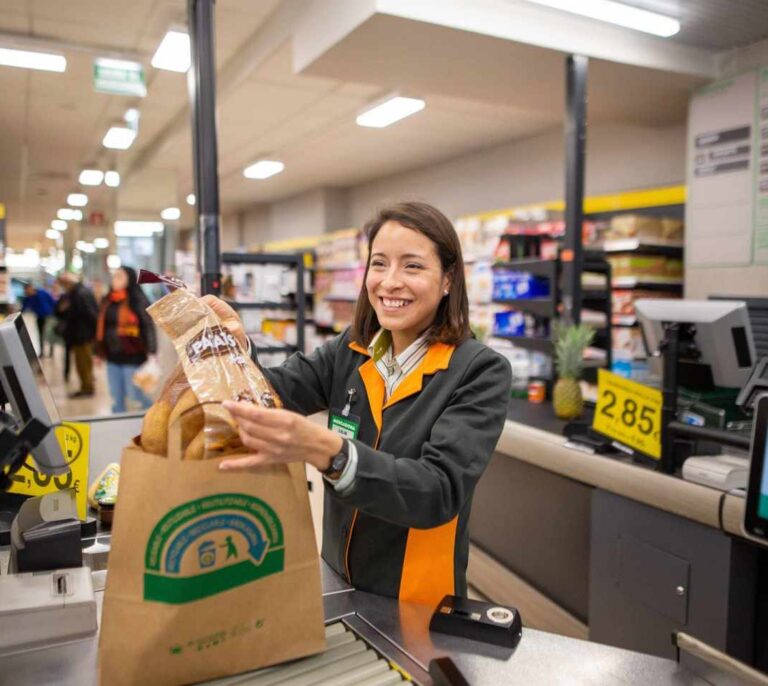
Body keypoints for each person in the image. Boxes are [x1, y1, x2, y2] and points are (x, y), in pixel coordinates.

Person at [205, 201, 511, 607]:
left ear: (449, 280)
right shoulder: (350, 351)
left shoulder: (478, 371)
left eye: (413, 266)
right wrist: (235, 344)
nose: (390, 282)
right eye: (379, 264)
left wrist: (327, 450)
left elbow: (436, 491)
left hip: (417, 599)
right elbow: (272, 393)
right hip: (337, 578)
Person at [96, 266, 157, 413]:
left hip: (133, 356)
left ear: (129, 279)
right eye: (114, 276)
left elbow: (148, 326)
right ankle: (118, 425)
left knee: (136, 394)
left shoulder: (138, 300)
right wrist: (97, 352)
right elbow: (100, 326)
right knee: (116, 396)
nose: (115, 279)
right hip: (112, 356)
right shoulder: (108, 300)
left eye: (119, 276)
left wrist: (152, 351)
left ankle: (150, 417)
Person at [57, 272, 99, 398]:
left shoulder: (79, 293)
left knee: (84, 363)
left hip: (82, 335)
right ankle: (85, 387)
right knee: (83, 362)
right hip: (80, 334)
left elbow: (90, 314)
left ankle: (87, 388)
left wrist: (92, 332)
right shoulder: (78, 292)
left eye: (64, 284)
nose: (64, 287)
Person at [20, 282, 55, 357]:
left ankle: (51, 351)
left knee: (49, 334)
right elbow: (23, 308)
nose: (26, 292)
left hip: (49, 316)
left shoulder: (42, 293)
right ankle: (42, 351)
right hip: (39, 317)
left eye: (27, 290)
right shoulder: (28, 298)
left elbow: (52, 301)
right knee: (40, 334)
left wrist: (55, 311)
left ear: (31, 288)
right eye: (25, 291)